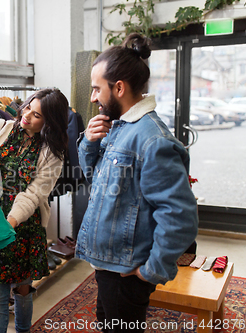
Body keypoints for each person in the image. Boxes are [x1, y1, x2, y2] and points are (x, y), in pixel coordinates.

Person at [75, 33, 198, 332]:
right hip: (110, 264)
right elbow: (96, 179)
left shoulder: (151, 139)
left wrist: (151, 270)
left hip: (127, 273)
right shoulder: (120, 127)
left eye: (96, 89)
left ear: (119, 87)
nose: (93, 97)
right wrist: (89, 143)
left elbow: (179, 216)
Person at [0, 88, 69, 333]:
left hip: (24, 227)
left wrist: (12, 222)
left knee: (22, 289)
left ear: (49, 122)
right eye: (28, 108)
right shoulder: (1, 128)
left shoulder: (52, 153)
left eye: (37, 115)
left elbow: (35, 193)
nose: (26, 115)